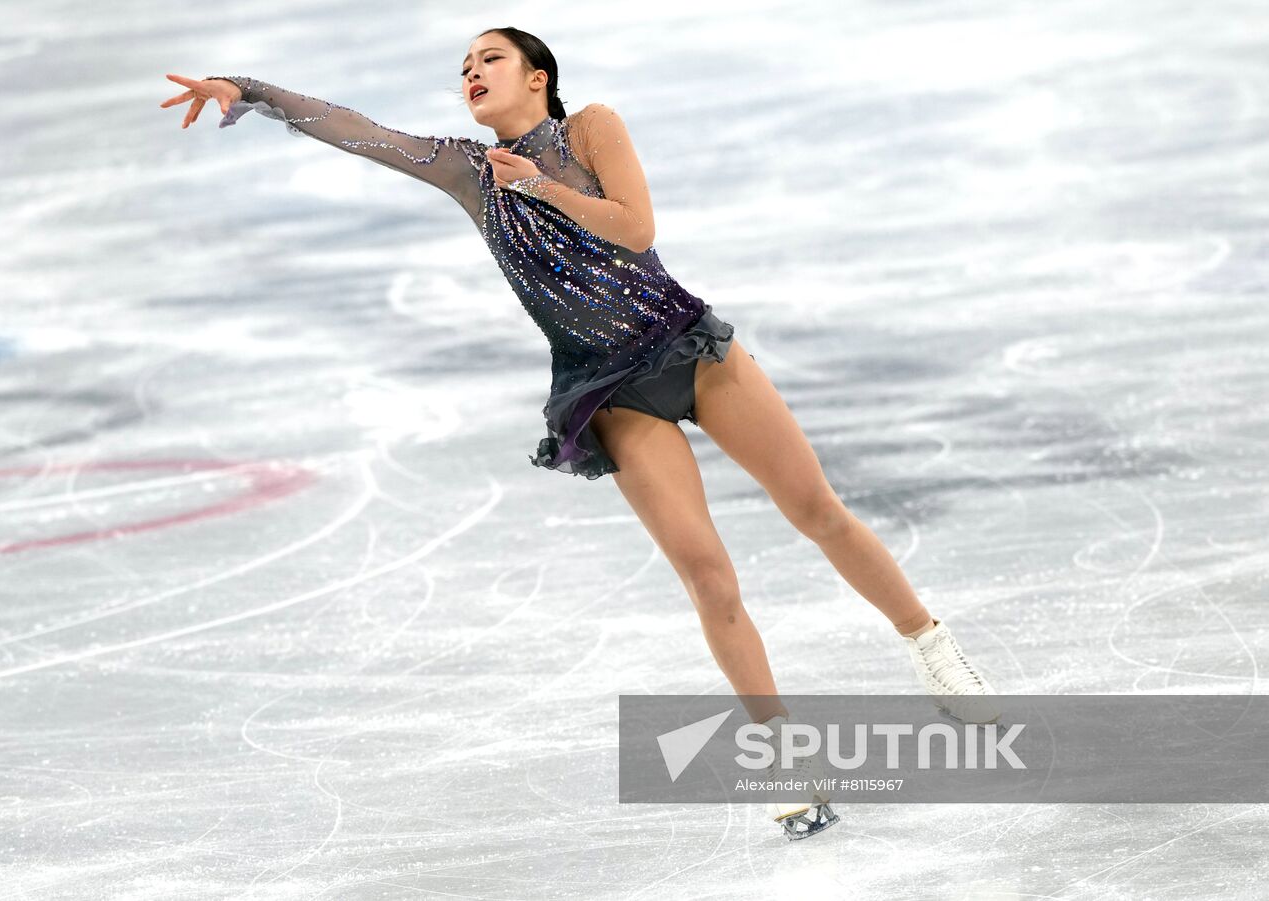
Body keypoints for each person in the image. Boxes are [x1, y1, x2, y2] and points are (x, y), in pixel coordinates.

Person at [161, 25, 1001, 838]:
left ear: (538, 77)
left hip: (689, 348)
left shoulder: (591, 128)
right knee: (707, 574)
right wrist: (252, 90)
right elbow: (361, 132)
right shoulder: (469, 172)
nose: (472, 72)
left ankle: (931, 646)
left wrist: (543, 187)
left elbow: (637, 228)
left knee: (815, 510)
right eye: (464, 64)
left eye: (491, 58)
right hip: (609, 390)